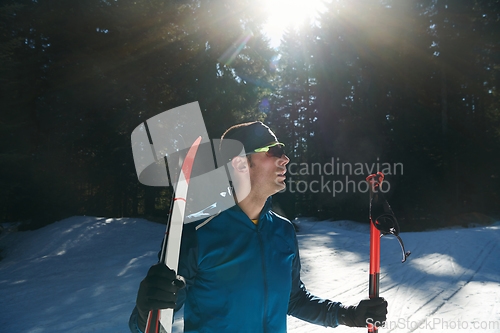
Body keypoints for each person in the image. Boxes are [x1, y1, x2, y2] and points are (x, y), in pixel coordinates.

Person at [129, 121, 388, 333]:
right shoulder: (198, 234)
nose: (285, 159)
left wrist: (349, 315)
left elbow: (293, 299)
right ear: (241, 163)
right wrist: (144, 312)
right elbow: (153, 322)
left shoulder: (283, 232)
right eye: (274, 151)